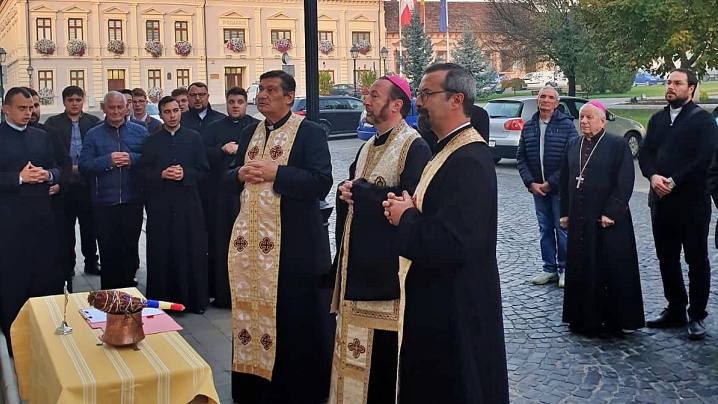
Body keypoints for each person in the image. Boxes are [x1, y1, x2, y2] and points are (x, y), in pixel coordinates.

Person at [381, 63, 508, 403]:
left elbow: (456, 242)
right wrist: (410, 207)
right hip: (439, 299)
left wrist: (405, 217)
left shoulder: (469, 158)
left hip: (456, 308)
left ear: (456, 100)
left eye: (426, 94)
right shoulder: (448, 148)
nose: (418, 103)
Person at [225, 70, 334, 404]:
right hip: (252, 251)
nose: (262, 96)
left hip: (294, 248)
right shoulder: (249, 132)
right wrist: (239, 173)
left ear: (289, 97)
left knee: (293, 321)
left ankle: (294, 392)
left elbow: (321, 182)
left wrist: (278, 173)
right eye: (260, 90)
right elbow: (230, 177)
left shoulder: (310, 132)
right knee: (251, 319)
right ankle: (253, 391)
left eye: (271, 90)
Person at [329, 76, 431, 404]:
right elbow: (359, 186)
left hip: (385, 277)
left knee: (383, 365)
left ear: (396, 104)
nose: (366, 100)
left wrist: (359, 190)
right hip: (355, 268)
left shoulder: (413, 145)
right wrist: (347, 189)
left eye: (374, 95)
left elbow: (411, 201)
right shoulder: (366, 144)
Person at [639, 68, 718, 340]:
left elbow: (704, 159)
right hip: (660, 203)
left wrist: (672, 181)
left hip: (692, 203)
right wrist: (652, 177)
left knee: (696, 260)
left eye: (677, 83)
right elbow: (645, 152)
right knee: (667, 258)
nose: (671, 87)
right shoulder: (658, 118)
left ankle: (696, 315)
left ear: (691, 88)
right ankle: (674, 309)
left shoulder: (703, 121)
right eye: (668, 82)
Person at [558, 101, 644, 336]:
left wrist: (611, 212)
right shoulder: (573, 144)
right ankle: (582, 319)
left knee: (609, 266)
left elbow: (625, 180)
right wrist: (564, 212)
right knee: (582, 266)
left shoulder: (617, 145)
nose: (583, 121)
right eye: (581, 117)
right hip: (579, 217)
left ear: (602, 121)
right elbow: (566, 180)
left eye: (589, 118)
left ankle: (612, 320)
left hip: (607, 220)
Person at [0, 87, 64, 352]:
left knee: (45, 280)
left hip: (42, 220)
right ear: (6, 109)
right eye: (22, 108)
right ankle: (15, 344)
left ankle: (47, 342)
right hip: (8, 224)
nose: (29, 113)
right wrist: (18, 178)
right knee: (13, 283)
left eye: (31, 108)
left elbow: (59, 167)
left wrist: (48, 176)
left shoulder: (41, 136)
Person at [137, 96, 210, 314]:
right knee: (162, 250)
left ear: (181, 111)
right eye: (167, 112)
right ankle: (163, 301)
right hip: (161, 204)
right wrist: (162, 174)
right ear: (161, 114)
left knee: (190, 249)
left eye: (176, 111)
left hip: (188, 202)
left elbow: (203, 169)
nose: (172, 116)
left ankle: (194, 300)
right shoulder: (151, 142)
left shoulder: (194, 138)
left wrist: (185, 173)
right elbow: (142, 173)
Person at [79, 91, 148, 290]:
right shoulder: (93, 133)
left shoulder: (140, 132)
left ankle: (128, 294)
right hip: (104, 202)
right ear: (104, 109)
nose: (117, 111)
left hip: (132, 199)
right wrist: (107, 161)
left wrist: (132, 159)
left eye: (120, 107)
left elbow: (149, 160)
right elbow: (84, 165)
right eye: (112, 107)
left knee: (129, 248)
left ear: (127, 107)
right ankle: (109, 296)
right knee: (108, 250)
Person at [517, 86, 578, 287]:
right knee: (544, 229)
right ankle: (549, 268)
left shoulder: (567, 126)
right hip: (537, 190)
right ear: (537, 100)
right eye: (542, 96)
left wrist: (550, 183)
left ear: (556, 103)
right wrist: (531, 183)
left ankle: (565, 269)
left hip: (559, 190)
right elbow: (521, 157)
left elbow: (570, 160)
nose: (545, 100)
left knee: (561, 229)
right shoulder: (529, 126)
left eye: (550, 97)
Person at [203, 87, 258, 308]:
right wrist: (221, 149)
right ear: (226, 104)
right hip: (221, 195)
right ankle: (222, 293)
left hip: (249, 194)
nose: (235, 105)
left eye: (240, 102)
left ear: (246, 104)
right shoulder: (214, 128)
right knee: (223, 242)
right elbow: (203, 153)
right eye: (231, 101)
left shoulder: (255, 127)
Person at [44, 86, 102, 279]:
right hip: (65, 183)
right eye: (70, 100)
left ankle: (91, 262)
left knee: (90, 226)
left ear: (83, 100)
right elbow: (51, 154)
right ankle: (68, 264)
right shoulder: (53, 123)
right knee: (66, 227)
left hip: (87, 182)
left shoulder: (93, 123)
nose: (74, 103)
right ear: (64, 102)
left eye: (78, 99)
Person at [25, 88, 73, 289]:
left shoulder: (51, 133)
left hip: (51, 204)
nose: (32, 111)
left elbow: (65, 164)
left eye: (35, 106)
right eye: (26, 107)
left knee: (56, 255)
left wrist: (57, 182)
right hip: (20, 209)